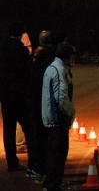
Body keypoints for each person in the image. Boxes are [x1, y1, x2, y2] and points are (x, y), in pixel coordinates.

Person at [42, 42, 75, 191]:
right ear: (68, 56)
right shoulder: (59, 70)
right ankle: (52, 186)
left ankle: (51, 184)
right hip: (57, 120)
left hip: (51, 119)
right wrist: (71, 112)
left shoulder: (51, 67)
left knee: (53, 155)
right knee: (57, 157)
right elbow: (61, 98)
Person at [0, 21, 31, 172]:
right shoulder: (22, 50)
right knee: (29, 128)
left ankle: (12, 162)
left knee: (8, 130)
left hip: (5, 94)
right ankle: (34, 161)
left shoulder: (2, 48)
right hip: (19, 94)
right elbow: (27, 73)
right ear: (21, 34)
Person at [25, 30, 56, 183]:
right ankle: (45, 172)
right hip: (45, 100)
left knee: (36, 134)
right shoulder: (52, 56)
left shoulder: (36, 55)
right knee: (48, 137)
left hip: (33, 99)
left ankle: (35, 168)